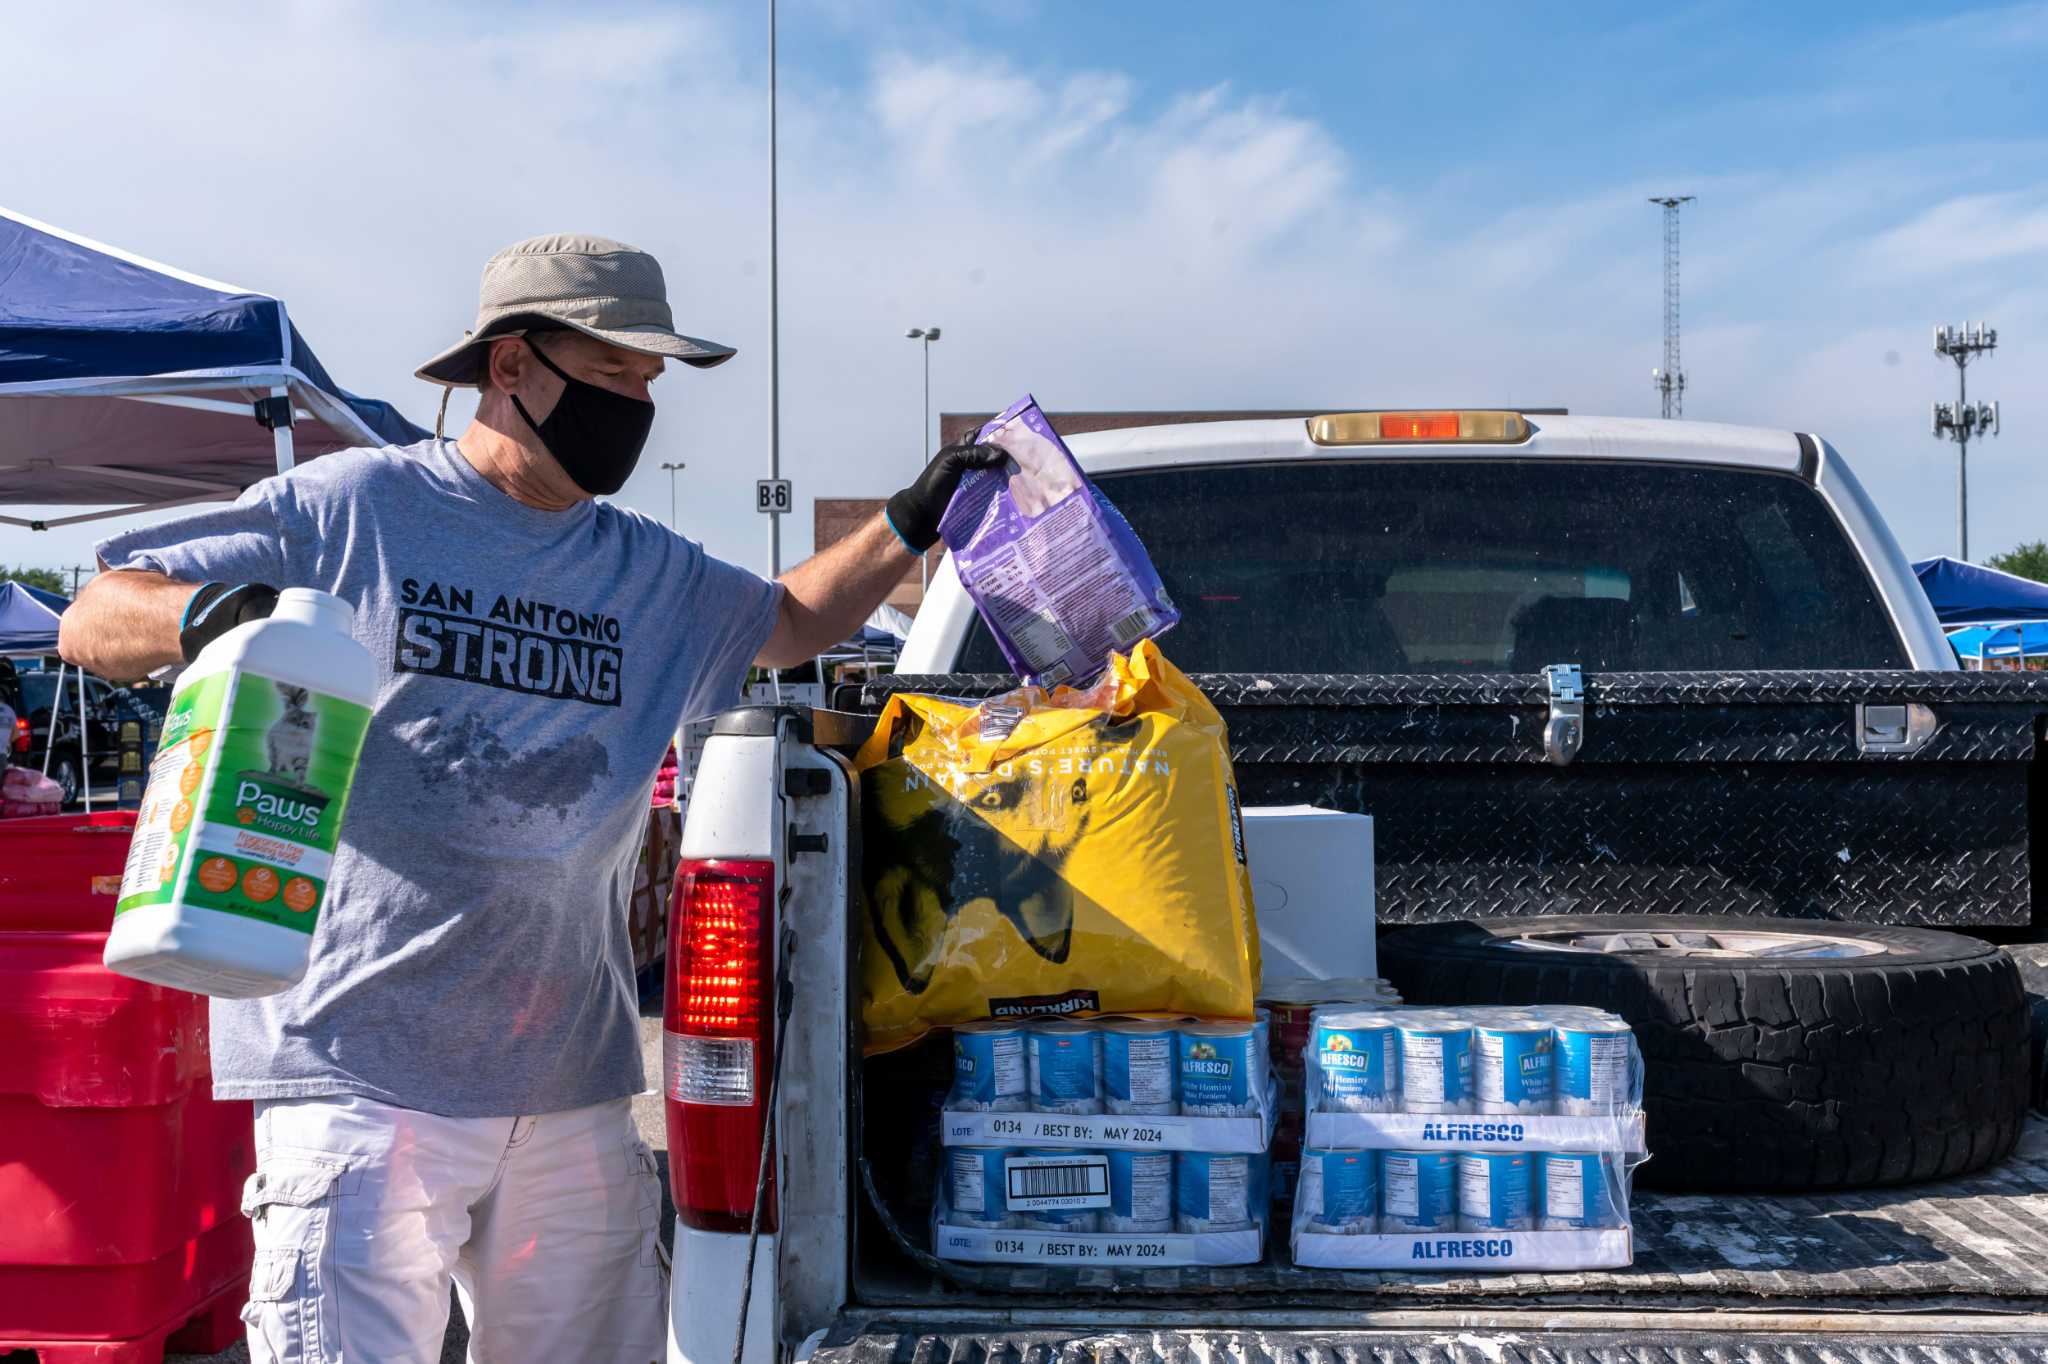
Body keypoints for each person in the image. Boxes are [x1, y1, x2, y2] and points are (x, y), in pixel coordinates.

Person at [57, 233, 1002, 1364]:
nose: (639, 402)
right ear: (511, 365)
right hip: (362, 1070)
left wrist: (909, 518)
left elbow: (790, 621)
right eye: (613, 371)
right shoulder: (360, 504)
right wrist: (213, 616)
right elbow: (94, 610)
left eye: (650, 381)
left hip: (570, 1080)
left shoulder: (646, 568)